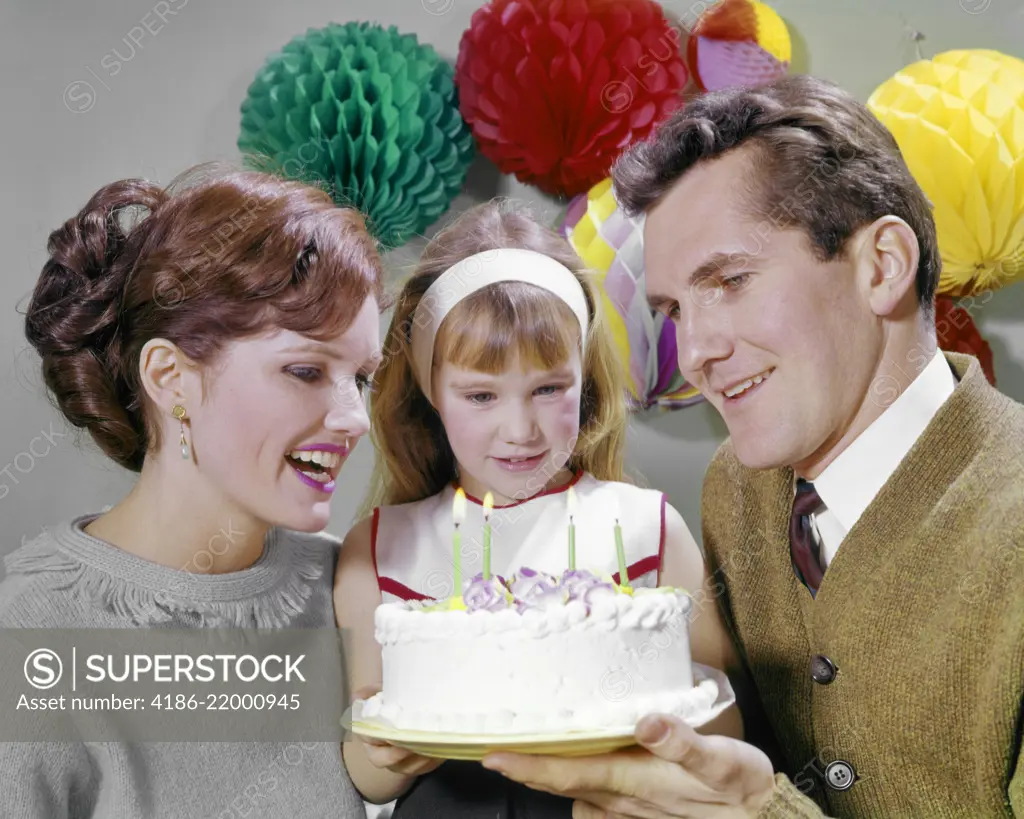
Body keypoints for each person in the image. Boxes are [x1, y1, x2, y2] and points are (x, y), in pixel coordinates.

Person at [478, 74, 1024, 817]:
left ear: (883, 265)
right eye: (674, 309)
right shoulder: (736, 487)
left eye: (732, 280)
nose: (696, 350)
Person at [333, 201, 744, 817]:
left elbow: (722, 730)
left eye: (549, 388)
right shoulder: (377, 549)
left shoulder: (650, 530)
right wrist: (388, 754)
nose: (519, 429)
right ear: (428, 388)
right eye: (480, 395)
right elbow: (364, 776)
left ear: (586, 377)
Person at [1, 165, 385, 818]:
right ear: (170, 377)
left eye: (361, 378)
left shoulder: (347, 586)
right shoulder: (30, 629)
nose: (355, 417)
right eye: (305, 369)